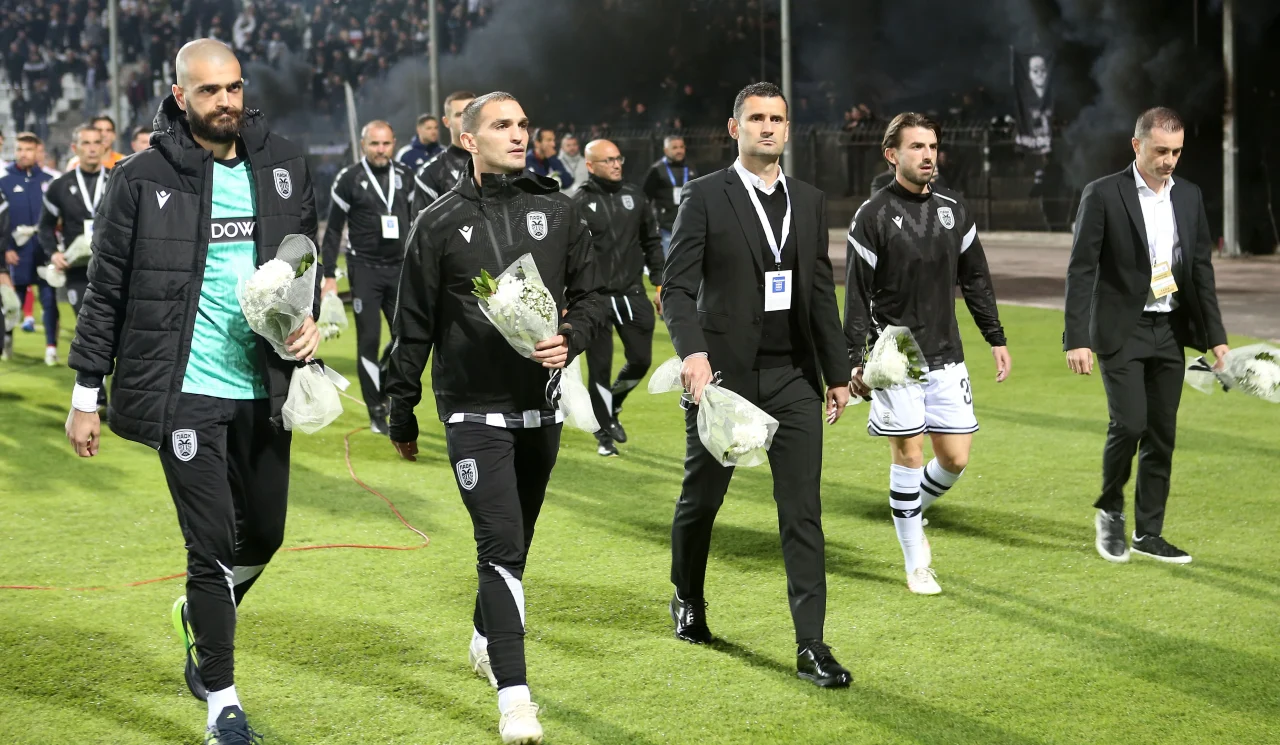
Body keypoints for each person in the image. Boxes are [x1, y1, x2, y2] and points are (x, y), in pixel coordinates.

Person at [64, 39, 319, 745]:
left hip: (263, 387)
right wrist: (85, 394)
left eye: (233, 87)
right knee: (209, 545)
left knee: (264, 534)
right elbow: (106, 289)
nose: (226, 101)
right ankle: (223, 705)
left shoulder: (284, 164)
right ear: (180, 96)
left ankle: (199, 617)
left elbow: (302, 265)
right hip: (187, 391)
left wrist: (305, 324)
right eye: (209, 90)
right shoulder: (141, 176)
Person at [385, 91, 606, 745]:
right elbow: (412, 325)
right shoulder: (437, 222)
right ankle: (516, 701)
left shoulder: (559, 211)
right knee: (500, 544)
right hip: (471, 411)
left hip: (541, 407)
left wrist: (572, 336)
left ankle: (486, 636)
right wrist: (401, 410)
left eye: (523, 125)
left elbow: (595, 296)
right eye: (502, 125)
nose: (518, 134)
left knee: (517, 544)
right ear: (468, 139)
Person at [661, 82, 853, 688]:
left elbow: (819, 291)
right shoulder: (704, 195)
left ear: (788, 130)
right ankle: (687, 595)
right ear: (734, 127)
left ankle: (811, 645)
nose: (767, 127)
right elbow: (676, 289)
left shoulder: (809, 200)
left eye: (777, 119)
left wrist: (836, 373)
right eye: (756, 118)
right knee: (702, 501)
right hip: (724, 380)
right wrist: (693, 354)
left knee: (802, 512)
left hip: (793, 377)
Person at [845, 112, 1011, 596]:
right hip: (895, 356)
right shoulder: (872, 215)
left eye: (932, 146)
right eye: (916, 146)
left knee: (955, 458)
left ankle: (909, 508)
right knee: (910, 453)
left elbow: (975, 278)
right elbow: (856, 294)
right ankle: (916, 562)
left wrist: (995, 336)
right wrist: (854, 359)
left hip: (946, 353)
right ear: (891, 154)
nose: (927, 155)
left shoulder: (954, 209)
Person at [1064, 107, 1228, 565]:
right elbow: (1081, 269)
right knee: (1129, 424)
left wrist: (1215, 335)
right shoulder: (1102, 193)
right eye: (1161, 151)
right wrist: (1076, 337)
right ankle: (1110, 510)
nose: (1169, 160)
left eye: (1176, 151)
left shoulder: (1189, 196)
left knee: (1162, 433)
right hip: (1122, 329)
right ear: (1137, 146)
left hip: (1170, 329)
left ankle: (1148, 532)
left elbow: (1200, 270)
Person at [320, 120, 415, 434]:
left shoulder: (406, 176)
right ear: (363, 145)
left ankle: (384, 380)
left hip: (399, 268)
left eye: (386, 143)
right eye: (374, 144)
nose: (381, 150)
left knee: (406, 338)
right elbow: (333, 229)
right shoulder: (349, 178)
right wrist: (329, 275)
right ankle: (376, 412)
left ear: (394, 143)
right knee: (369, 340)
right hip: (364, 270)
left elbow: (418, 222)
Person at [572, 139, 664, 457]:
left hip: (633, 293)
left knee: (641, 360)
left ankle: (614, 403)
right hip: (595, 299)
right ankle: (603, 433)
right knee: (599, 368)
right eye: (608, 160)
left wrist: (660, 283)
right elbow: (569, 255)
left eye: (618, 159)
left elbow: (652, 241)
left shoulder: (635, 196)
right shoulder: (578, 203)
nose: (616, 164)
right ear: (590, 165)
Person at [38, 123, 109, 336]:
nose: (92, 148)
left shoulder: (119, 180)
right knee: (87, 326)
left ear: (104, 147)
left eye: (96, 143)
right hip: (77, 270)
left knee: (113, 328)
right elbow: (45, 226)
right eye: (85, 143)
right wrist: (53, 253)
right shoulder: (59, 186)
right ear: (74, 148)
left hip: (112, 268)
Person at [0, 132, 57, 364]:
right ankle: (7, 339)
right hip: (16, 251)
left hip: (44, 250)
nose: (24, 154)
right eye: (20, 149)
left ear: (37, 152)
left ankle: (51, 348)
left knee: (49, 299)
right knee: (13, 300)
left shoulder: (50, 180)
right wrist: (6, 249)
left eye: (29, 149)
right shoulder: (4, 181)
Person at [411, 90, 476, 212]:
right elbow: (422, 222)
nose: (467, 119)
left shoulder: (497, 163)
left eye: (472, 113)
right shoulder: (431, 172)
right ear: (446, 122)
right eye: (459, 115)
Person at [642, 135, 697, 257]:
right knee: (669, 263)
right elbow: (645, 199)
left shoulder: (691, 167)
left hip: (689, 226)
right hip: (666, 228)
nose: (679, 150)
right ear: (666, 150)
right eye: (675, 148)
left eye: (681, 147)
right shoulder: (656, 170)